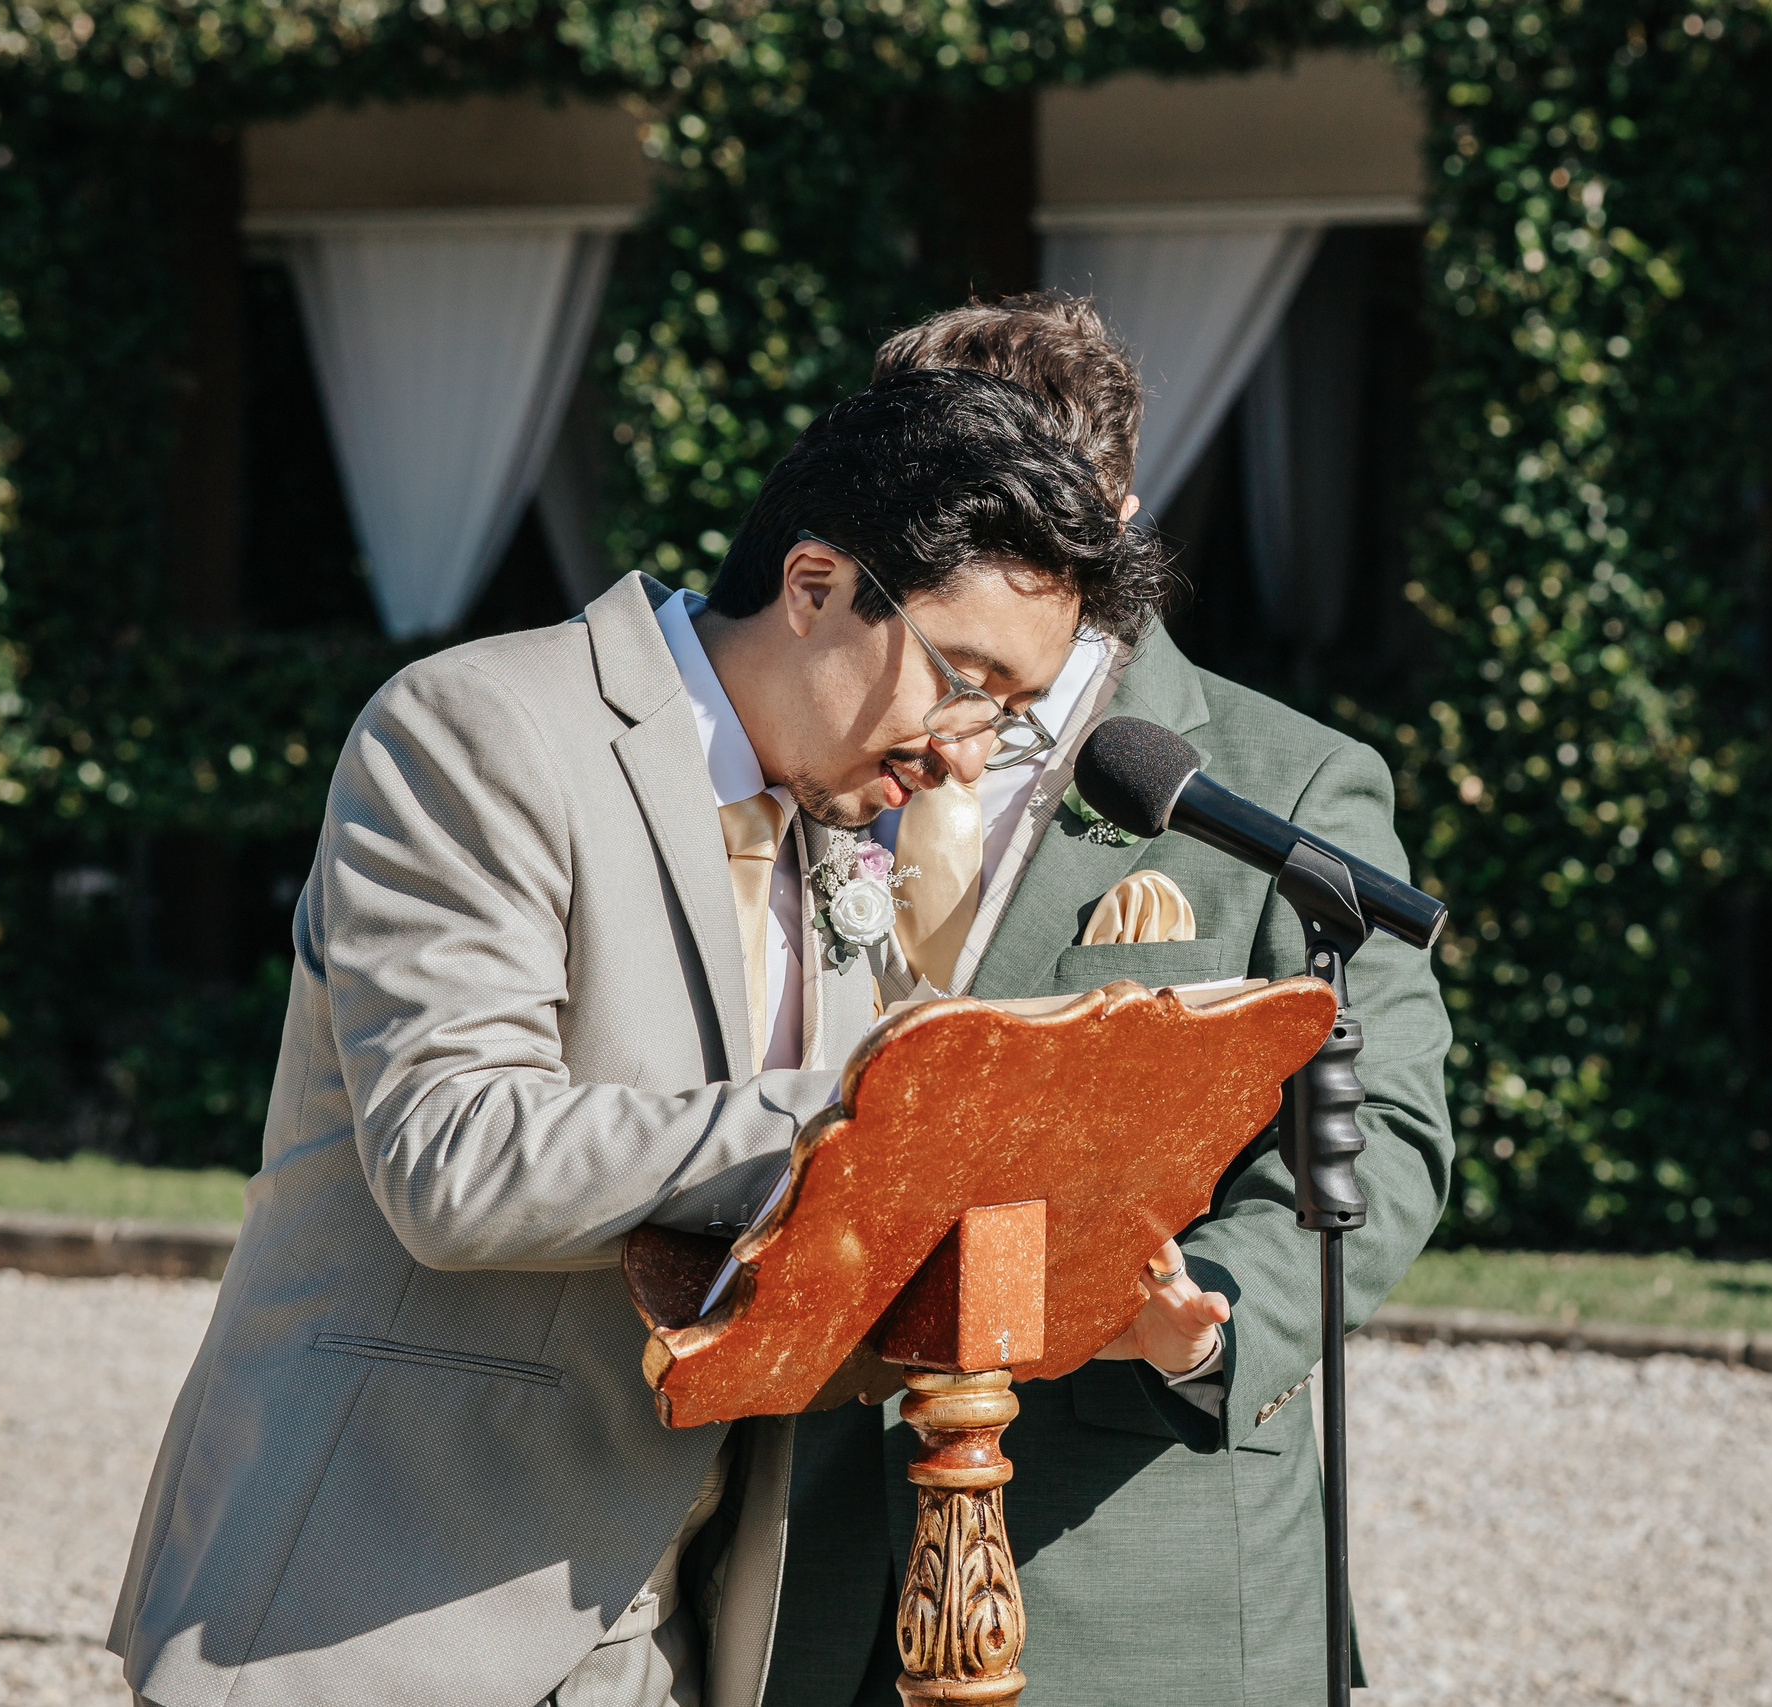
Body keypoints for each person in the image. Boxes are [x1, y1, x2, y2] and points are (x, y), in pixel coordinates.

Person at [105, 366, 1175, 1707]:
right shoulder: (477, 732)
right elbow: (458, 1162)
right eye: (966, 683)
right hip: (373, 1612)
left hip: (668, 1642)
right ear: (816, 583)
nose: (969, 753)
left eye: (1009, 715)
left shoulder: (851, 811)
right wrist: (872, 1110)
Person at [764, 294, 1455, 1705]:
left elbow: (1381, 1133)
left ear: (1115, 518)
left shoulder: (1289, 788)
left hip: (1130, 1571)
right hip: (802, 1564)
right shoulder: (795, 733)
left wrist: (1208, 1315)